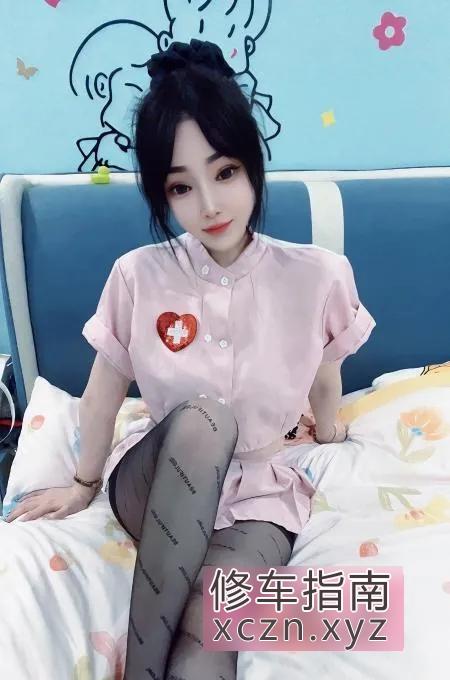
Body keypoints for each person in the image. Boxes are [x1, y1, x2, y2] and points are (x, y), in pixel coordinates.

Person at [6, 39, 376, 679]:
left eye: (224, 172)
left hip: (258, 498)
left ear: (252, 163)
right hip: (156, 481)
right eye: (181, 186)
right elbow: (102, 393)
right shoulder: (137, 276)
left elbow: (324, 373)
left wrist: (332, 429)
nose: (208, 205)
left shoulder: (318, 276)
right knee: (206, 421)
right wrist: (83, 483)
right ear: (162, 194)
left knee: (210, 630)